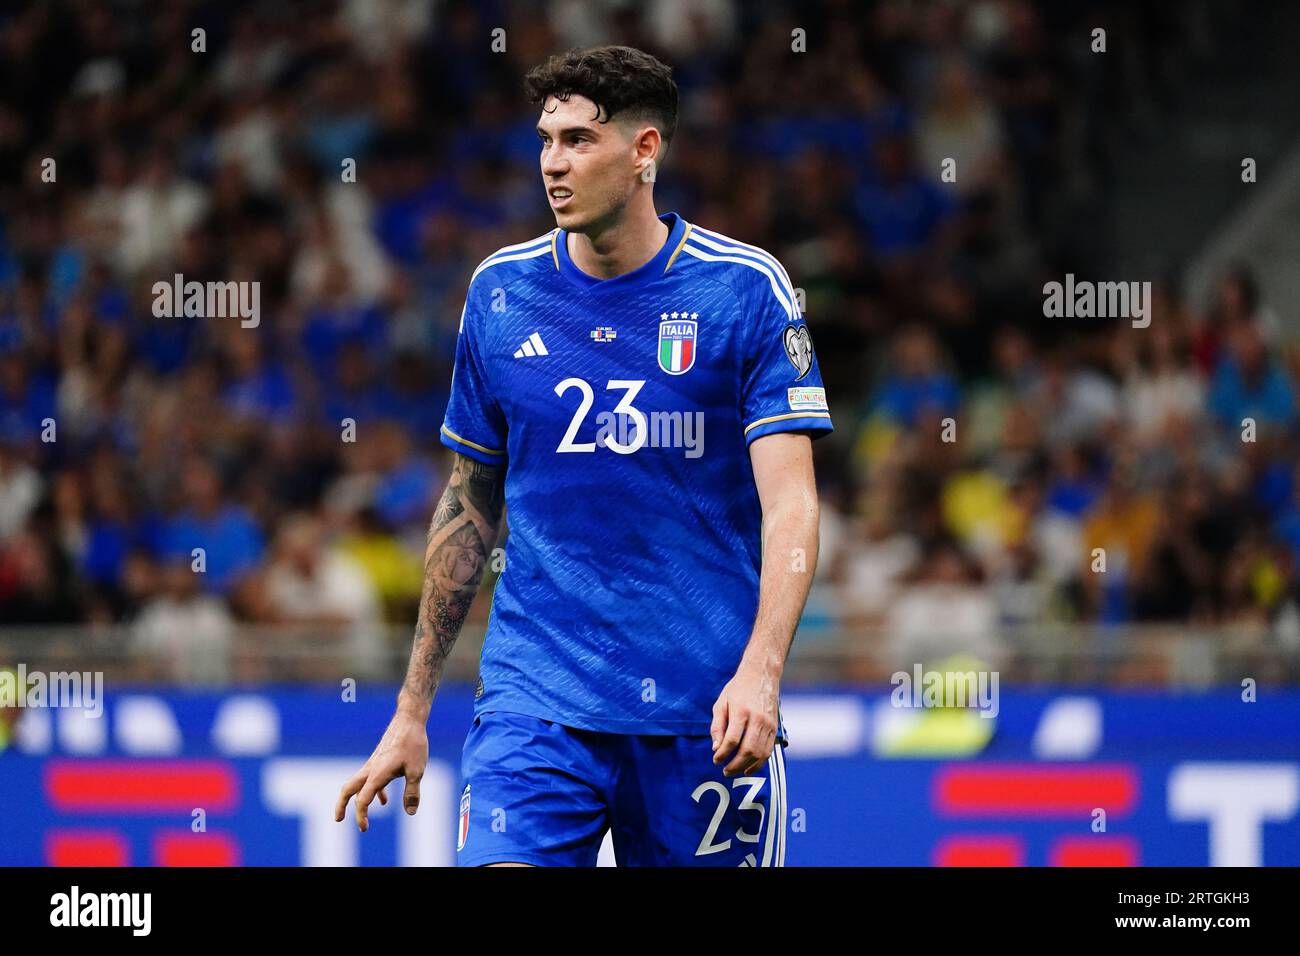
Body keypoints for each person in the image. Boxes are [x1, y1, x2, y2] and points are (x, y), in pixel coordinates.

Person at [335, 45, 833, 867]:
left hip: (700, 713)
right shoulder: (500, 293)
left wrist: (762, 671)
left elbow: (793, 506)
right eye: (545, 141)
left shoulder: (745, 290)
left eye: (577, 141)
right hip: (537, 704)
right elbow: (468, 505)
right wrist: (411, 711)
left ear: (644, 153)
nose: (553, 165)